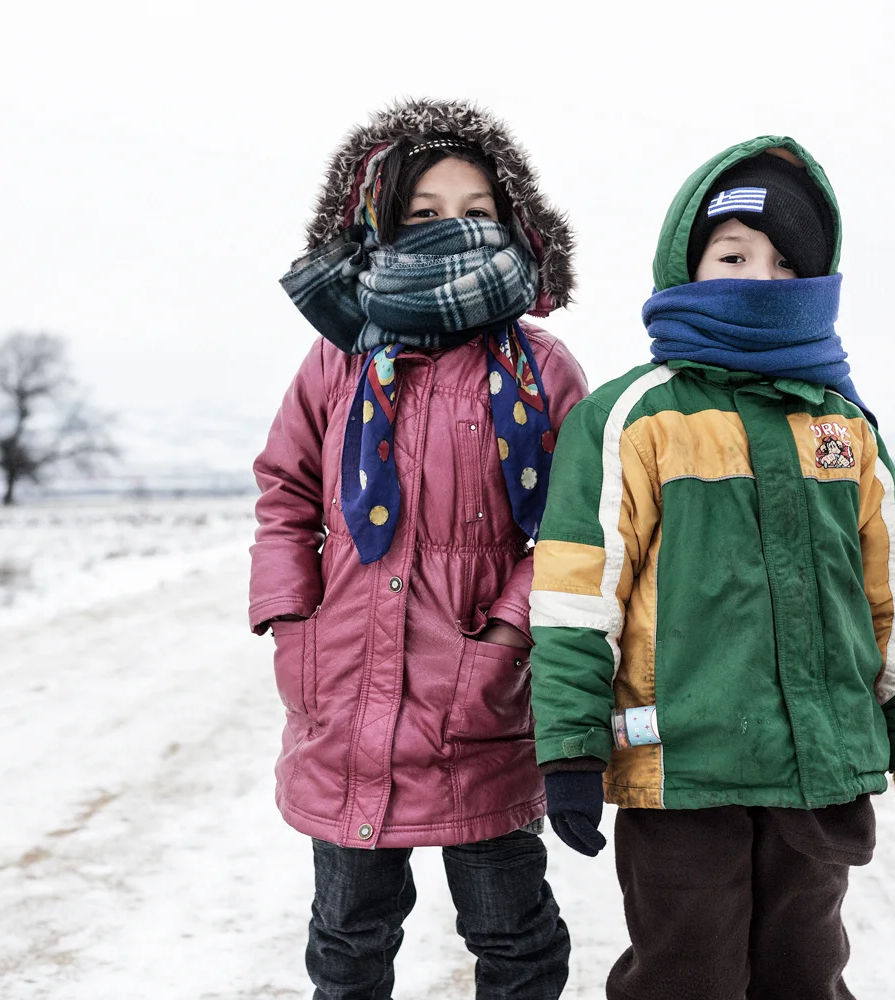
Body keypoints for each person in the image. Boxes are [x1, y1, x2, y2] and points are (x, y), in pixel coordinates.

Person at [527, 137, 895, 1000]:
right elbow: (579, 597)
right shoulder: (634, 417)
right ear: (687, 264)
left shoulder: (847, 427)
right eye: (734, 255)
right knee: (685, 973)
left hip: (820, 766)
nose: (759, 279)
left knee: (807, 970)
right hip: (684, 770)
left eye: (783, 264)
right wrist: (570, 749)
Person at [251, 98, 590, 1000]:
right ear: (377, 225)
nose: (454, 231)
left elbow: (573, 527)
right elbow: (285, 492)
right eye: (423, 215)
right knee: (348, 942)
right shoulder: (339, 358)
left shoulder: (541, 369)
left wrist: (510, 636)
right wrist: (292, 621)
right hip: (346, 694)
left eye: (475, 211)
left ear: (514, 221)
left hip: (478, 702)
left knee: (514, 938)